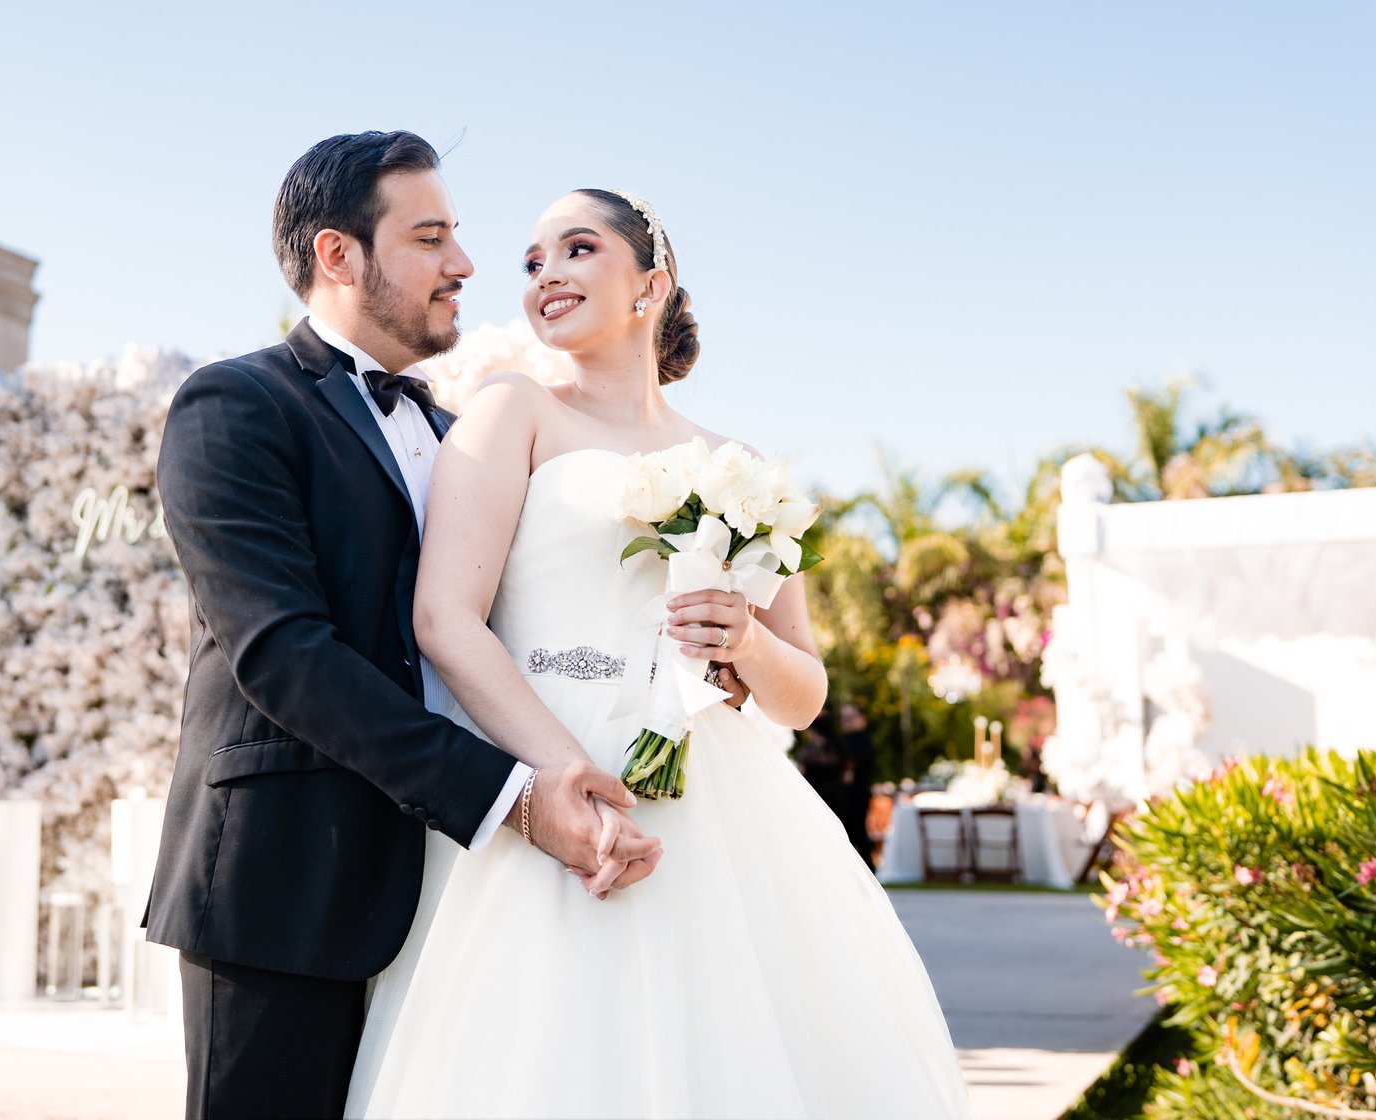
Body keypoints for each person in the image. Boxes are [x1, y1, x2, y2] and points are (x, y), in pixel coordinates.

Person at [347, 188, 972, 1118]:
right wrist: (564, 783)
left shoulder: (739, 465)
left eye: (577, 248)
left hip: (718, 808)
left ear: (653, 281)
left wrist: (746, 639)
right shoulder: (513, 409)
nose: (546, 273)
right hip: (548, 785)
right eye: (531, 261)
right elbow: (446, 619)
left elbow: (802, 695)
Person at [144, 134, 662, 1120]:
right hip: (286, 885)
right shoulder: (235, 404)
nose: (465, 265)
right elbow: (285, 658)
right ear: (338, 255)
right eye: (431, 238)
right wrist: (514, 797)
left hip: (450, 895)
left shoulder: (459, 427)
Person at [835, 702, 880, 867]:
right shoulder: (843, 741)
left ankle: (869, 868)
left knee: (857, 831)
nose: (847, 721)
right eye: (844, 718)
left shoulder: (864, 741)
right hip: (843, 794)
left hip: (858, 793)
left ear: (862, 719)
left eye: (851, 717)